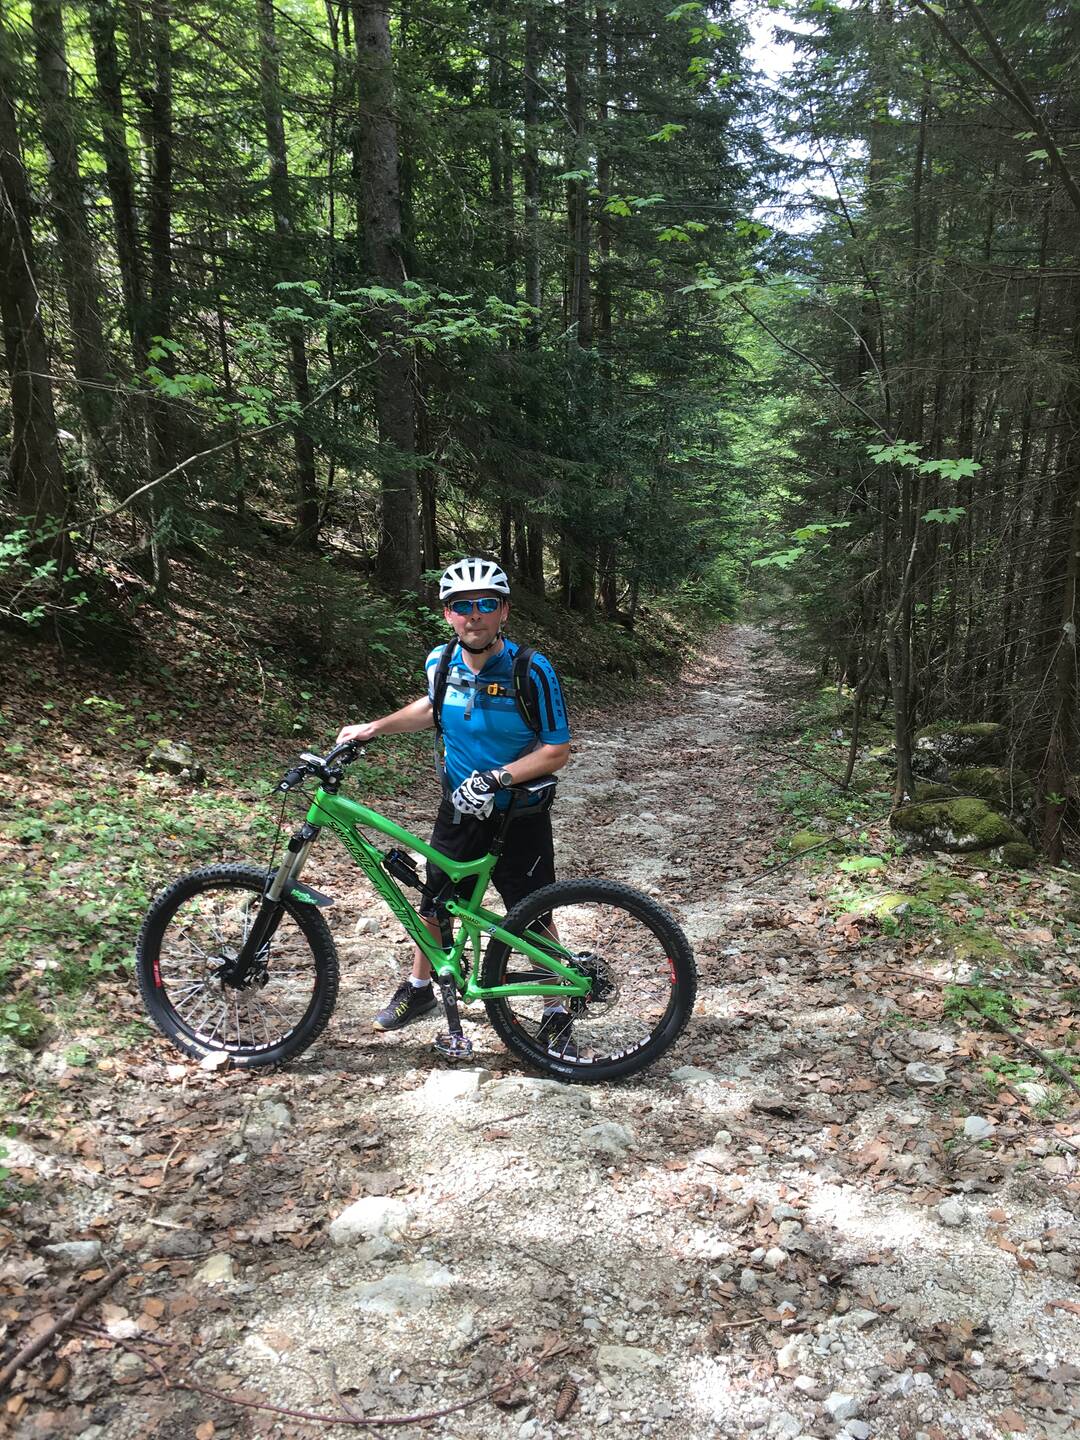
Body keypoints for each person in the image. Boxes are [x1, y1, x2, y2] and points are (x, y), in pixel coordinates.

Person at [336, 556, 572, 1047]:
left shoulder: (532, 669)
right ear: (448, 614)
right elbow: (432, 707)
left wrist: (496, 779)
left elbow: (557, 750)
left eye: (485, 604)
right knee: (435, 903)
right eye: (462, 606)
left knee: (532, 912)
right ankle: (420, 988)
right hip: (459, 808)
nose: (474, 615)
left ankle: (556, 1008)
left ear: (504, 611)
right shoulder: (439, 662)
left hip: (518, 812)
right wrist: (374, 727)